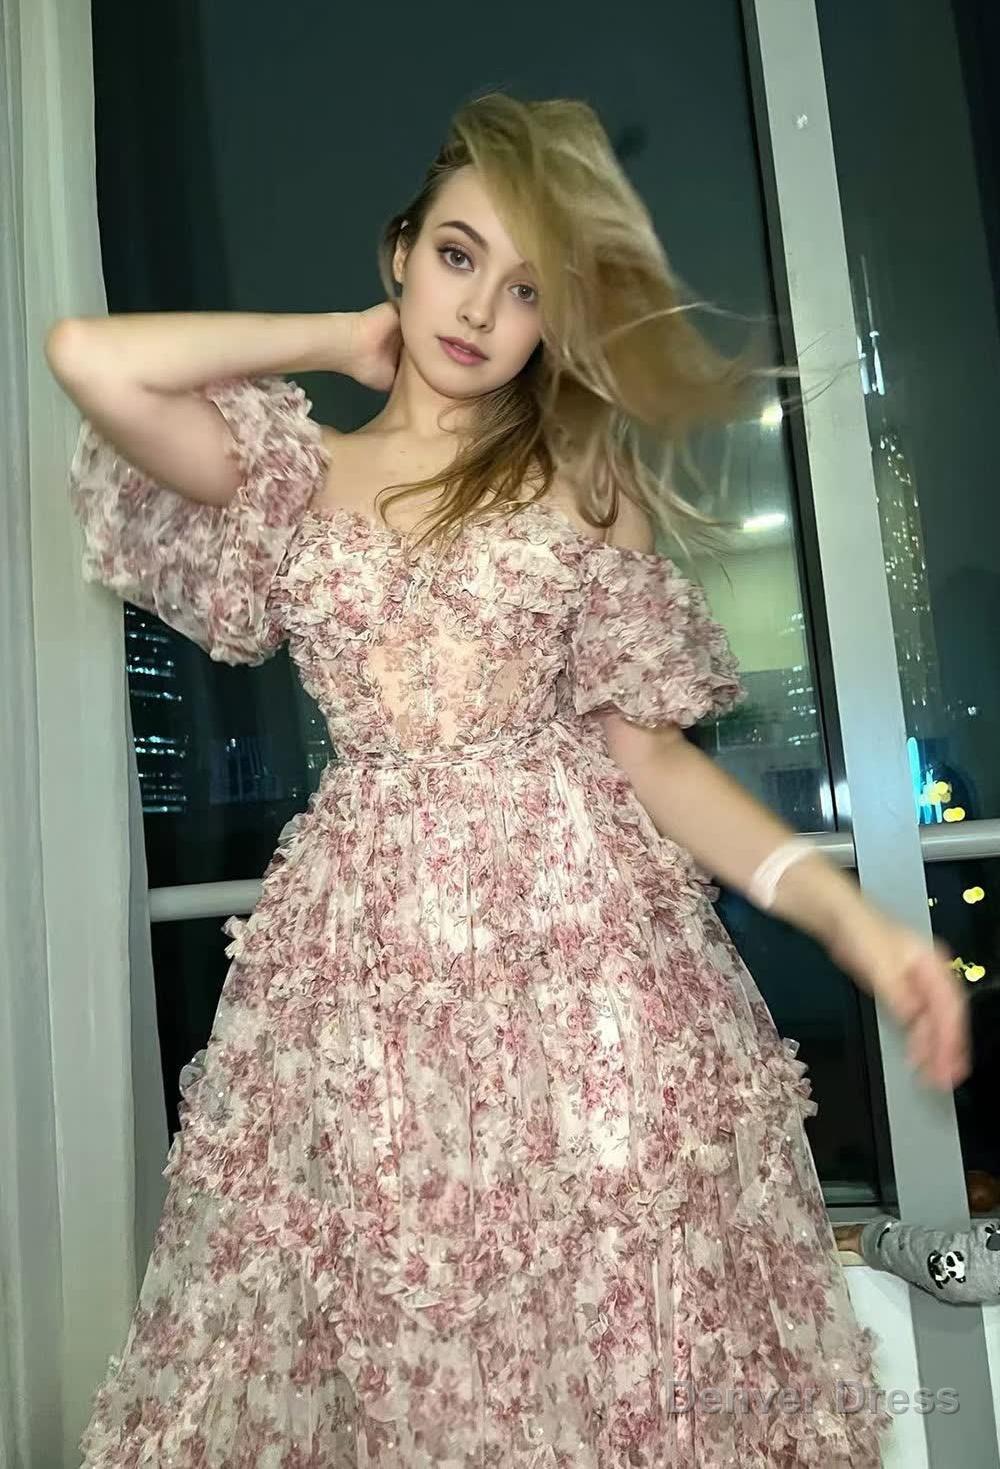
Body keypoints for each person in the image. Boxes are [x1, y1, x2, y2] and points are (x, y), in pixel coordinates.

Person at [47, 92, 968, 1468]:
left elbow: (651, 761)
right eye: (457, 255)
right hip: (369, 981)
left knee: (615, 1345)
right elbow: (90, 357)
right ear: (401, 253)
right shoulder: (300, 477)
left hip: (587, 975)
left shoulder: (582, 482)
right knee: (403, 1338)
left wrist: (858, 926)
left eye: (527, 287)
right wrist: (336, 338)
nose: (480, 308)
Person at [835, 1215, 1000, 1303]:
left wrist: (876, 1241)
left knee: (862, 1237)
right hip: (975, 1278)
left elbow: (977, 1269)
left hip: (975, 1266)